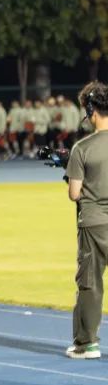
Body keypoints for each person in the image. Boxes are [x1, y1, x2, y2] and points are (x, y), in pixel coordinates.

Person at [64, 82, 108, 360]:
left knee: (90, 283)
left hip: (94, 223)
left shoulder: (82, 147)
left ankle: (87, 343)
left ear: (90, 110)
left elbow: (74, 193)